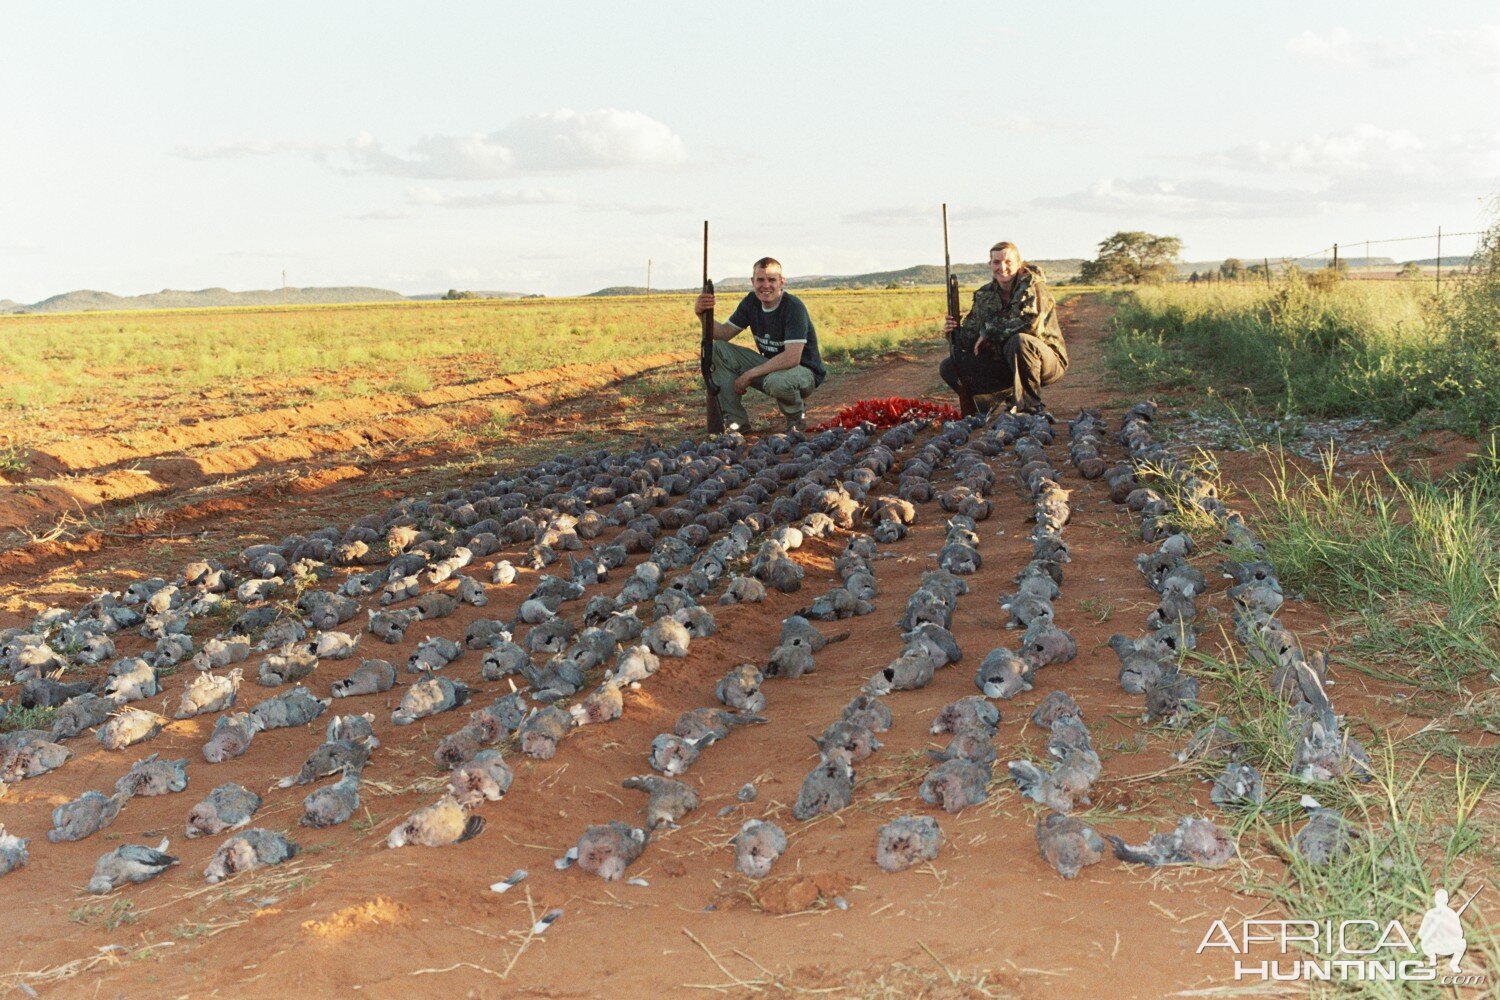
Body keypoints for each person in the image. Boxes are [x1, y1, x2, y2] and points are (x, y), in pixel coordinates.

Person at [693, 257, 826, 433]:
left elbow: (792, 357)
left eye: (772, 279)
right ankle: (736, 424)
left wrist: (749, 375)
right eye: (760, 279)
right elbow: (723, 334)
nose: (766, 285)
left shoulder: (793, 307)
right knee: (718, 349)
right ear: (752, 281)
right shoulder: (751, 302)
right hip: (773, 369)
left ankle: (796, 419)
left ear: (781, 282)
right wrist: (701, 313)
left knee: (778, 382)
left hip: (803, 371)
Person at [940, 241, 1068, 414]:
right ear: (990, 265)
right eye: (996, 262)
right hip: (1007, 362)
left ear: (1019, 263)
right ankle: (988, 399)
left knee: (1019, 341)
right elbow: (970, 340)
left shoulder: (1034, 286)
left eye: (1008, 262)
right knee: (950, 366)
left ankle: (1029, 406)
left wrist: (990, 332)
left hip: (1046, 362)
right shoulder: (984, 294)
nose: (1002, 267)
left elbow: (1031, 326)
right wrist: (952, 331)